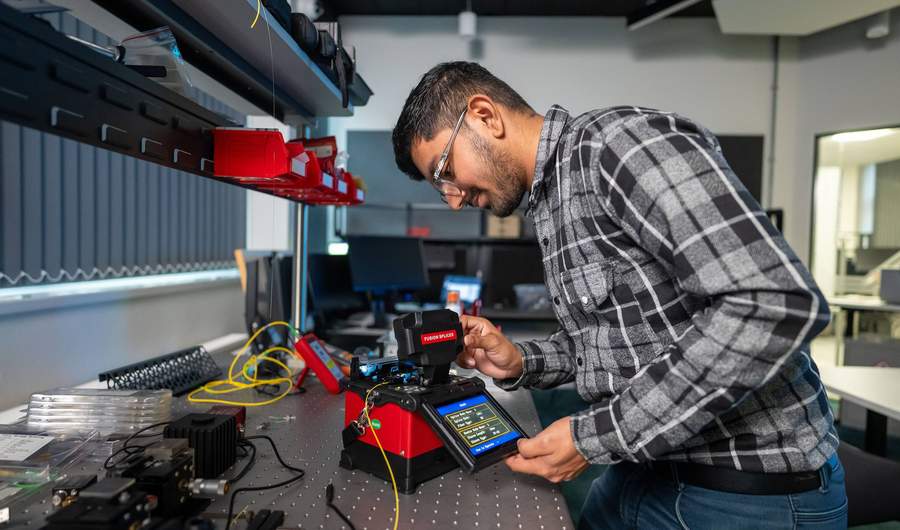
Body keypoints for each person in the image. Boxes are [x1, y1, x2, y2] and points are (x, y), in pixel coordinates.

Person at [391, 61, 847, 529]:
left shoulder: (618, 146)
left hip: (742, 494)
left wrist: (596, 436)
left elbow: (771, 303)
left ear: (485, 115)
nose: (452, 199)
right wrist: (521, 361)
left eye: (444, 170)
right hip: (640, 469)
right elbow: (619, 340)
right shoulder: (551, 201)